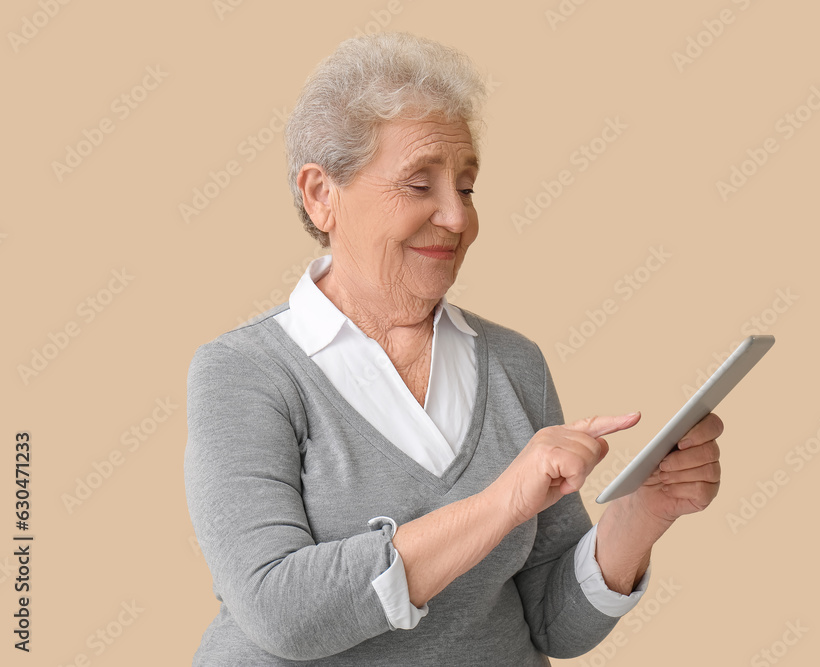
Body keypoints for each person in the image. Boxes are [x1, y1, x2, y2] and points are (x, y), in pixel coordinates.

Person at [183, 31, 724, 666]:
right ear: (321, 194)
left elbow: (553, 624)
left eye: (466, 187)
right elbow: (282, 612)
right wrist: (501, 503)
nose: (458, 217)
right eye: (420, 185)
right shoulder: (244, 372)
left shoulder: (514, 362)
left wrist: (642, 514)